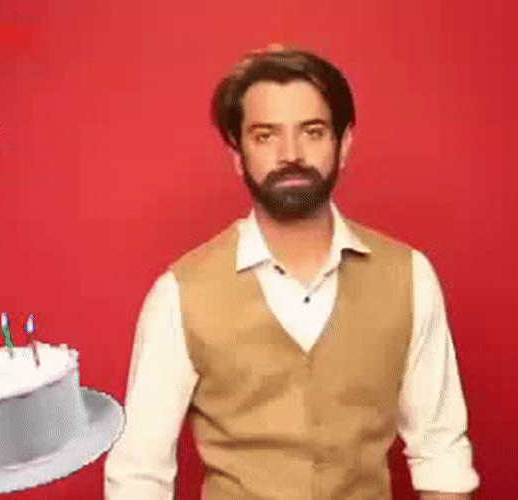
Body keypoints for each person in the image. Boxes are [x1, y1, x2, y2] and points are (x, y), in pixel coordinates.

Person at [104, 45, 480, 500]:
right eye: (265, 135)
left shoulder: (410, 276)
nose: (291, 154)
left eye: (313, 132)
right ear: (238, 155)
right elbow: (139, 476)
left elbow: (442, 456)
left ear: (344, 145)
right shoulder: (179, 294)